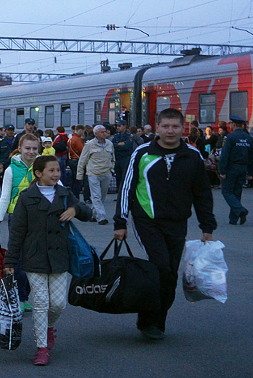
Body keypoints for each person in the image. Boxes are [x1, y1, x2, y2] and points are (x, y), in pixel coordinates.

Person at [113, 107, 216, 341]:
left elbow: (202, 193)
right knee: (160, 267)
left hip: (178, 222)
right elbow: (126, 188)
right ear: (157, 128)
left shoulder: (192, 155)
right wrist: (120, 222)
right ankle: (149, 320)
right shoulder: (142, 152)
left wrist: (207, 227)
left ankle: (157, 321)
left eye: (175, 127)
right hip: (147, 221)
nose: (170, 131)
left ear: (183, 129)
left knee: (169, 274)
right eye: (165, 126)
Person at [3, 155, 92, 366]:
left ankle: (50, 327)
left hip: (60, 258)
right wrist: (10, 262)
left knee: (59, 303)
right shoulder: (26, 197)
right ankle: (42, 347)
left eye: (58, 171)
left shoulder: (64, 194)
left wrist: (75, 209)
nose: (56, 174)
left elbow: (88, 213)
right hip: (35, 257)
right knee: (41, 303)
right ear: (38, 173)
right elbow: (17, 232)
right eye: (51, 171)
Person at [0, 133, 41, 312]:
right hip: (17, 217)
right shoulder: (11, 170)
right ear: (20, 149)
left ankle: (27, 295)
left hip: (40, 217)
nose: (31, 152)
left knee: (36, 259)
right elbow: (5, 196)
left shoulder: (43, 165)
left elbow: (56, 187)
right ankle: (20, 297)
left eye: (34, 149)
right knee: (20, 259)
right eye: (27, 148)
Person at [218, 115, 253, 225]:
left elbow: (224, 156)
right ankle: (234, 219)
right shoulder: (248, 138)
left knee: (226, 191)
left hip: (231, 168)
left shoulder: (230, 137)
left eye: (230, 124)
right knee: (237, 193)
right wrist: (251, 172)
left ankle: (241, 210)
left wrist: (222, 171)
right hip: (243, 168)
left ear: (233, 125)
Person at [77, 125, 115, 225]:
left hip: (106, 173)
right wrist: (79, 175)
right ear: (95, 133)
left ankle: (93, 214)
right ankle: (101, 216)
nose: (104, 133)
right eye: (102, 132)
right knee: (96, 196)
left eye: (105, 131)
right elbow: (82, 160)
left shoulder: (109, 144)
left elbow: (113, 158)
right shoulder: (89, 144)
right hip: (93, 173)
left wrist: (111, 168)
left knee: (102, 196)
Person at [112, 119, 136, 194]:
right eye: (117, 126)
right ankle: (119, 193)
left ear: (124, 126)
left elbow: (128, 146)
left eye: (119, 126)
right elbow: (112, 145)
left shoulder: (130, 135)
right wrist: (119, 144)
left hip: (125, 158)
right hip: (117, 158)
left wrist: (118, 145)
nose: (117, 128)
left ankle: (125, 193)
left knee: (125, 177)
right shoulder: (116, 136)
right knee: (118, 177)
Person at [67, 126, 85, 198]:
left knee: (73, 180)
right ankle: (76, 196)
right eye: (83, 131)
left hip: (72, 159)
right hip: (77, 160)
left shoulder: (70, 139)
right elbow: (83, 151)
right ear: (80, 130)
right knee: (78, 180)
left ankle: (73, 196)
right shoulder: (77, 140)